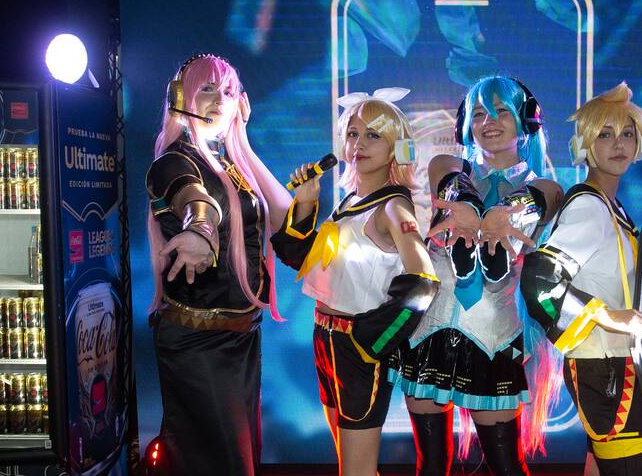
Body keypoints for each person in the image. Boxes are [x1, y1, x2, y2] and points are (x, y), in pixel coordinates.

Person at [389, 76, 564, 475]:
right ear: (465, 124)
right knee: (431, 466)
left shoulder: (543, 185)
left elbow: (544, 197)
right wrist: (466, 205)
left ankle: (491, 256)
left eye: (502, 111)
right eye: (480, 113)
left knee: (507, 467)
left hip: (495, 334)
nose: (489, 121)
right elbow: (447, 175)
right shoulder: (448, 166)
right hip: (432, 329)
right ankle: (471, 253)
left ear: (526, 120)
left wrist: (504, 214)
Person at [271, 88, 440, 476]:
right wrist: (307, 202)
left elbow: (423, 282)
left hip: (355, 345)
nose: (359, 143)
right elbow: (305, 259)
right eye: (353, 133)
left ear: (396, 146)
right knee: (350, 464)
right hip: (326, 338)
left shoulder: (393, 206)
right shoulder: (348, 201)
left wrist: (371, 342)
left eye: (373, 135)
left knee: (356, 471)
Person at [145, 53, 292, 475]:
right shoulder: (172, 160)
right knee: (221, 462)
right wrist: (200, 230)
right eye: (207, 89)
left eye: (228, 92)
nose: (219, 100)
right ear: (181, 98)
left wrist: (241, 139)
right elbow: (195, 200)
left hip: (240, 337)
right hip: (197, 343)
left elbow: (282, 212)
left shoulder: (229, 165)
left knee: (239, 458)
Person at [520, 82, 642, 475]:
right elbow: (540, 279)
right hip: (605, 366)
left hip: (618, 363)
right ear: (585, 143)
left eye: (627, 133)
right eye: (605, 134)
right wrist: (608, 315)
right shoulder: (590, 208)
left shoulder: (610, 207)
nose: (619, 143)